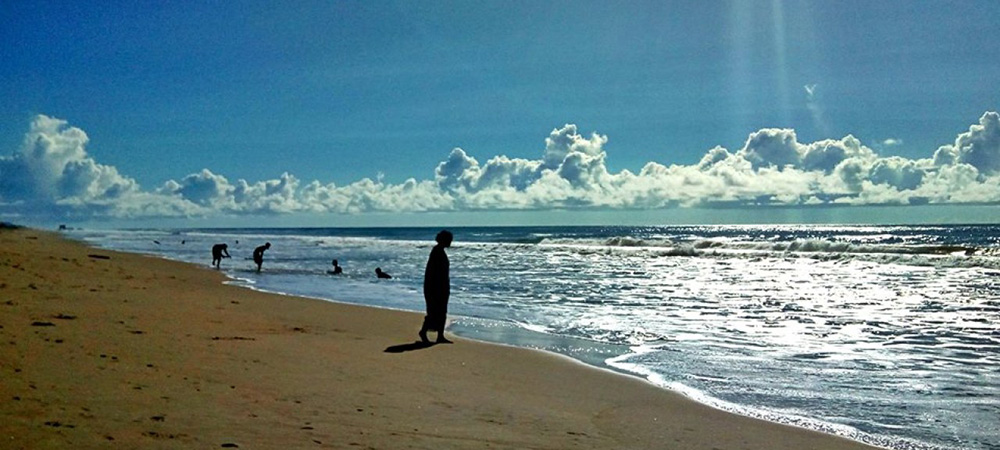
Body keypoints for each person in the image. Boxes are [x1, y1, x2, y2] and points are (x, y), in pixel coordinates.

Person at [420, 230, 453, 344]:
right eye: (449, 239)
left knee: (441, 312)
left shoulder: (439, 251)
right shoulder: (437, 252)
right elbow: (432, 272)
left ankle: (440, 336)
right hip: (435, 287)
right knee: (434, 312)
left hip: (441, 286)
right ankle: (424, 332)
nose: (451, 242)